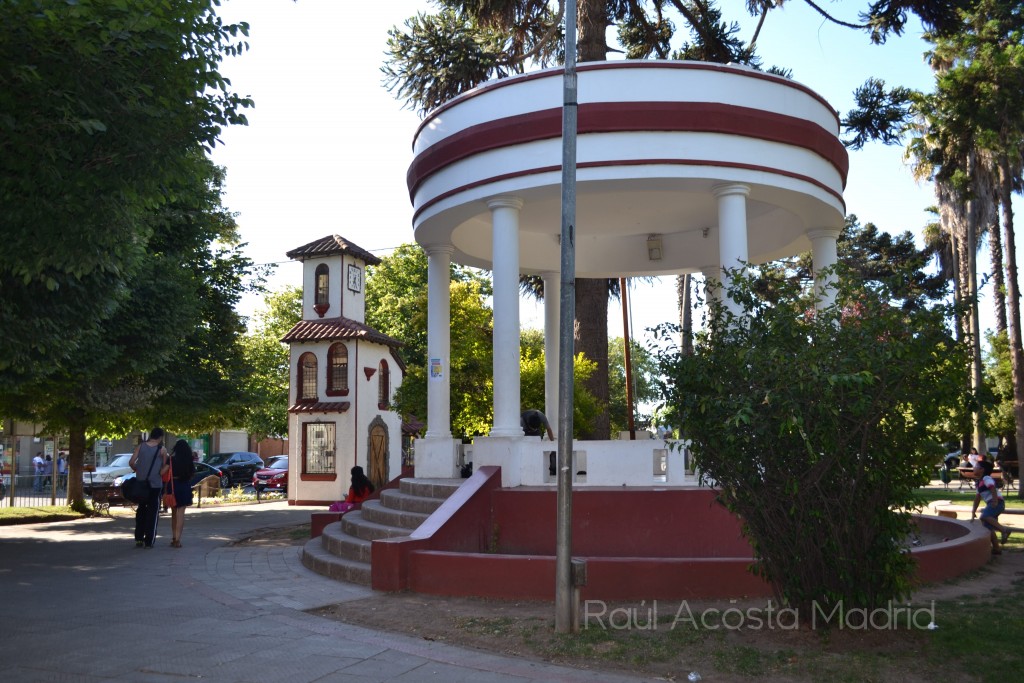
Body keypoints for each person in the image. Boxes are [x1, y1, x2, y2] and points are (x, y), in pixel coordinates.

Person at [129, 427, 170, 548]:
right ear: (161, 437)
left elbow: (131, 462)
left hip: (141, 483)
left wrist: (139, 470)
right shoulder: (162, 449)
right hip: (155, 485)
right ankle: (149, 540)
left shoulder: (140, 447)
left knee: (141, 509)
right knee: (153, 512)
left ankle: (138, 538)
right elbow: (164, 468)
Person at [971, 457, 1012, 555]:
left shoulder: (986, 478)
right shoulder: (979, 483)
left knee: (984, 516)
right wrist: (973, 511)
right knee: (988, 528)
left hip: (997, 502)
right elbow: (977, 498)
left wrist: (995, 501)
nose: (973, 468)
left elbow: (992, 488)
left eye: (976, 466)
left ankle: (1004, 530)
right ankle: (996, 549)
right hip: (992, 503)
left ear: (982, 470)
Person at [166, 439, 196, 548]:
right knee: (181, 513)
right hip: (184, 486)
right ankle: (178, 539)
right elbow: (192, 473)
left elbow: (162, 472)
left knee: (174, 513)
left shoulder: (171, 460)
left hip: (173, 486)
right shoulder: (189, 460)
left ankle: (173, 537)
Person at [521, 409, 556, 475]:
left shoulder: (541, 416)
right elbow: (519, 437)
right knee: (527, 448)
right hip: (524, 432)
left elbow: (548, 429)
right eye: (533, 428)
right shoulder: (521, 421)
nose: (534, 430)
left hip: (536, 433)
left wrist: (553, 443)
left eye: (536, 428)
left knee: (538, 444)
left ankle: (539, 465)